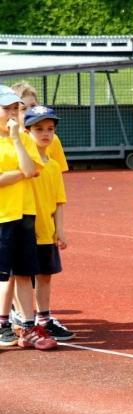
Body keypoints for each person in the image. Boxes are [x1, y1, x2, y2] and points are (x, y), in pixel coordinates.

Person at [0, 85, 55, 350]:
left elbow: (32, 169)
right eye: (6, 109)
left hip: (25, 214)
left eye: (15, 109)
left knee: (24, 272)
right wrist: (21, 172)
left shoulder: (21, 138)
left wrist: (16, 140)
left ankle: (27, 325)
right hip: (2, 215)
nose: (12, 114)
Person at [22, 106, 74, 341]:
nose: (45, 134)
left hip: (46, 230)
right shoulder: (25, 165)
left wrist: (59, 229)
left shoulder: (52, 166)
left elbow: (59, 201)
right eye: (39, 129)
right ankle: (21, 318)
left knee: (45, 276)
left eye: (50, 129)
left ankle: (44, 318)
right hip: (25, 230)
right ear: (27, 132)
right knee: (20, 276)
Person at [11, 81, 68, 172]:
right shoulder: (10, 140)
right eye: (24, 108)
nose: (30, 111)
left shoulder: (53, 139)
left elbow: (58, 172)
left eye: (33, 106)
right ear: (13, 113)